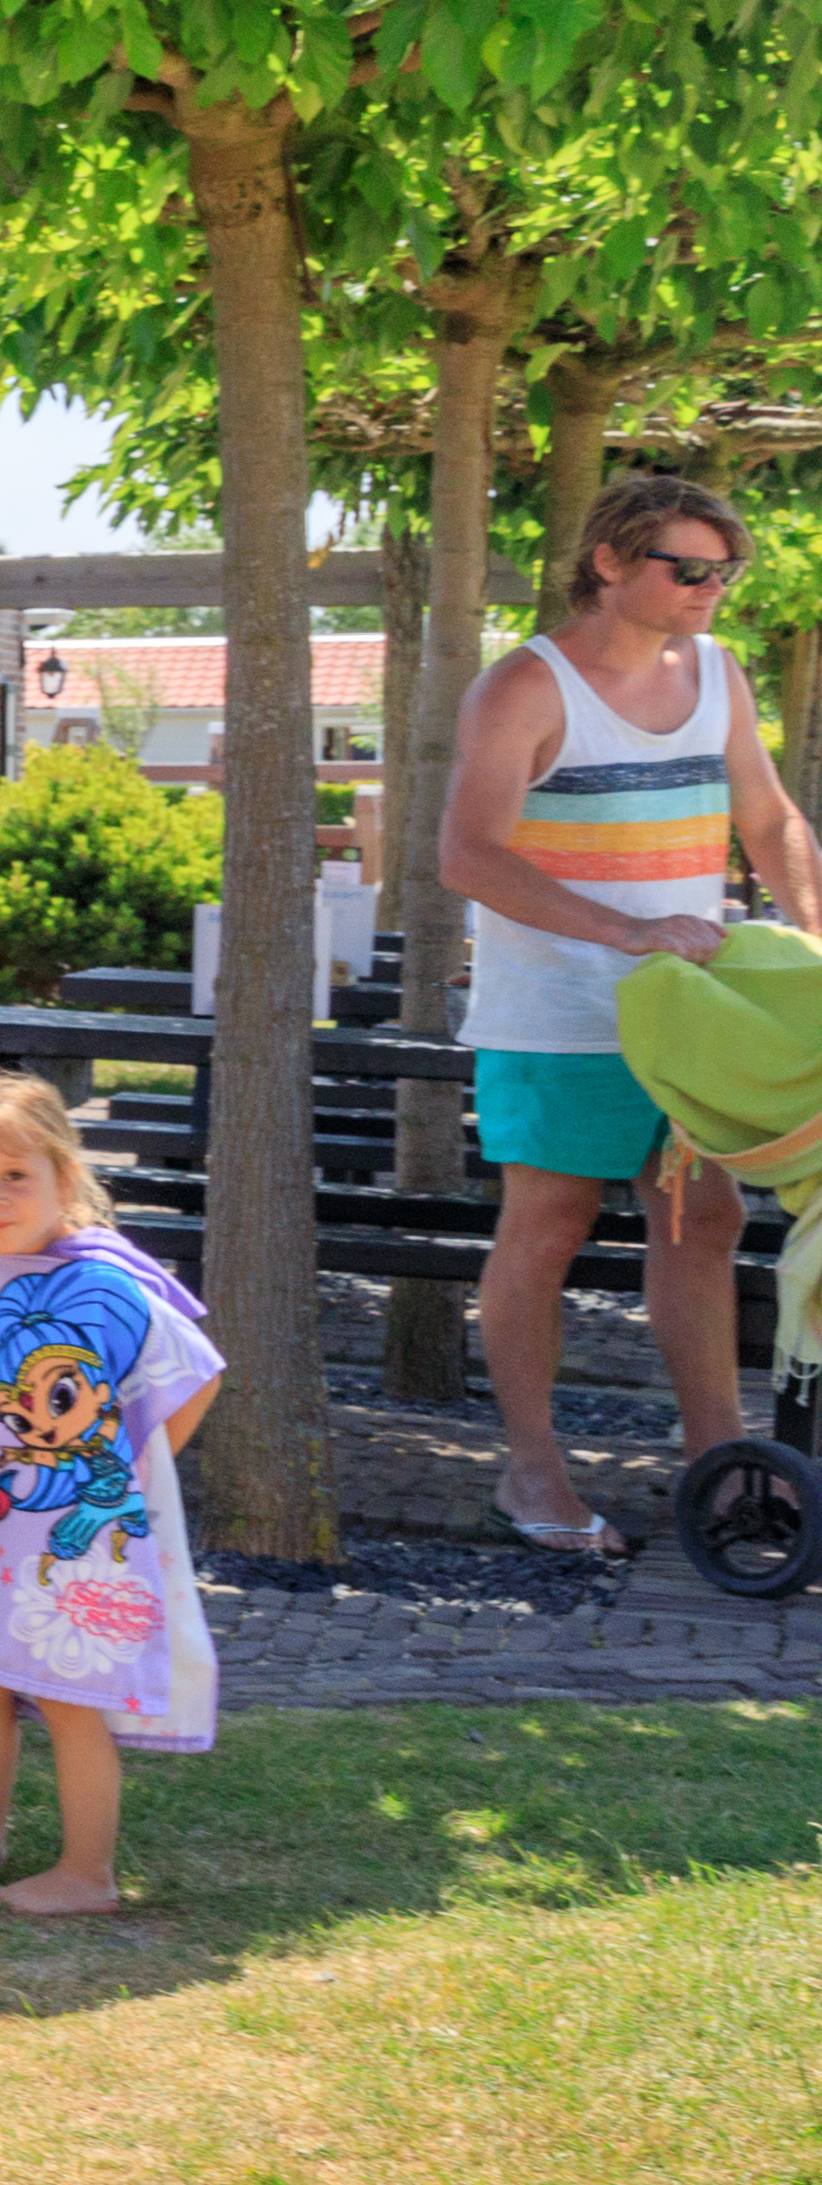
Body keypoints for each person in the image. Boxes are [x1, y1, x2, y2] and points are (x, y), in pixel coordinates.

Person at [434, 474, 819, 1552]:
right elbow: (467, 854)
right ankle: (533, 1473)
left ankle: (726, 1468)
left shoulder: (720, 676)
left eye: (724, 571)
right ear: (609, 561)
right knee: (545, 1231)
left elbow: (769, 818)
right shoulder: (524, 686)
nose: (711, 587)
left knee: (706, 1223)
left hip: (696, 1019)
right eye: (687, 567)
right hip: (557, 1020)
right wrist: (629, 930)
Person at [0, 1073, 221, 1916]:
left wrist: (134, 1471)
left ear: (64, 1172)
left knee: (68, 1694)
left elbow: (196, 1375)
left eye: (14, 1176)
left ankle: (87, 1873)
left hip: (68, 1534)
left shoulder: (106, 1280)